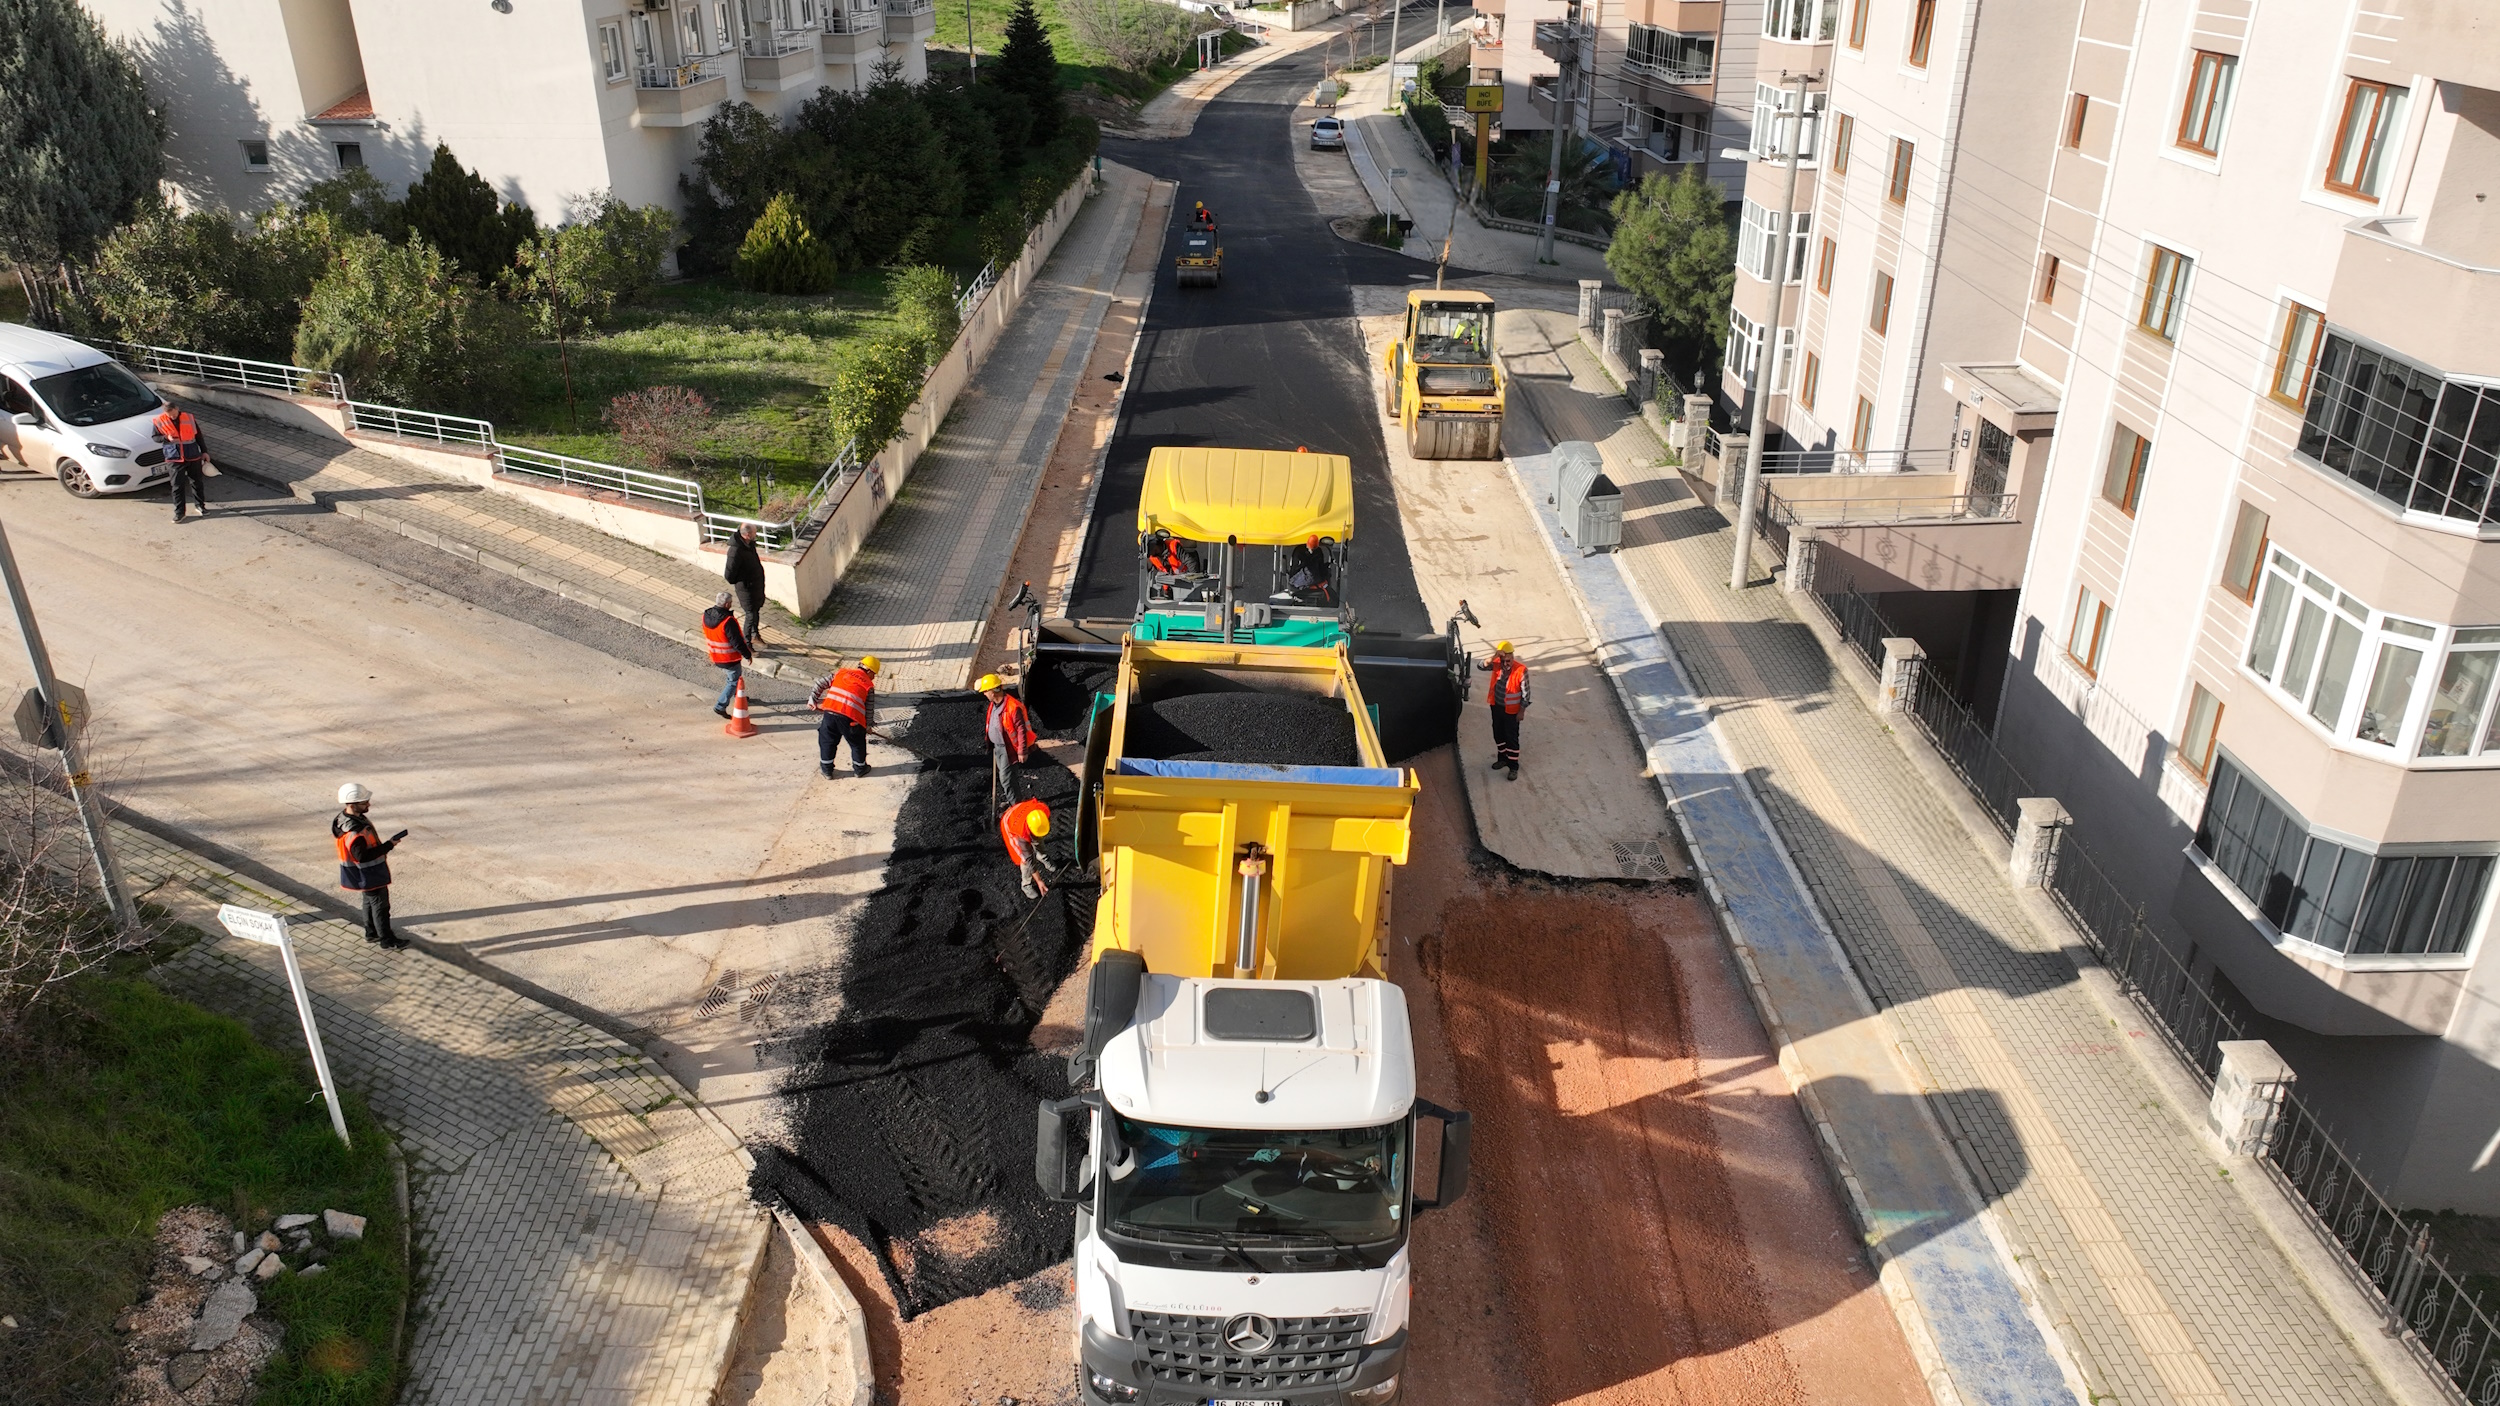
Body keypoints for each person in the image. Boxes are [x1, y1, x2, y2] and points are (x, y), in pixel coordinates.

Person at [332, 782, 409, 949]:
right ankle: (387, 940)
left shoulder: (343, 819)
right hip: (369, 873)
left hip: (360, 874)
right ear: (352, 805)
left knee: (368, 902)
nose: (368, 804)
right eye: (364, 802)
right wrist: (389, 845)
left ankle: (371, 933)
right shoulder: (355, 831)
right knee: (381, 907)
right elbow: (363, 857)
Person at [812, 654, 880, 779]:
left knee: (827, 741)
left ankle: (827, 770)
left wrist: (813, 699)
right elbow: (869, 709)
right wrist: (868, 725)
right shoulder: (868, 685)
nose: (874, 677)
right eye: (874, 674)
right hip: (850, 720)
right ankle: (860, 769)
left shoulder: (841, 673)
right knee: (857, 743)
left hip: (830, 715)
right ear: (869, 671)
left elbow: (820, 683)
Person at [976, 672, 1038, 802]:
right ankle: (1015, 800)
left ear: (993, 691)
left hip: (1008, 749)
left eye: (985, 691)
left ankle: (1016, 805)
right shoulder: (994, 704)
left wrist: (1022, 751)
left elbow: (1021, 729)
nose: (984, 694)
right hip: (998, 748)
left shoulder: (1013, 708)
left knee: (1006, 779)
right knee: (1008, 777)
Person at [154, 399, 210, 523]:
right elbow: (155, 437)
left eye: (174, 414)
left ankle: (200, 506)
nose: (173, 417)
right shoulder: (159, 421)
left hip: (192, 455)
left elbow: (198, 436)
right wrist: (165, 438)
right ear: (165, 413)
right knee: (177, 486)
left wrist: (204, 452)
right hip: (174, 458)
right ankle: (179, 512)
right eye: (170, 416)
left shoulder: (188, 418)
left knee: (197, 482)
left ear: (177, 408)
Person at [1484, 640, 1530, 780]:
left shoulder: (1521, 670)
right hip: (1496, 707)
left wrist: (1521, 711)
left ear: (1513, 658)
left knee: (1511, 738)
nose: (1505, 664)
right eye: (1503, 660)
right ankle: (1502, 759)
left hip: (1512, 712)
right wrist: (1494, 656)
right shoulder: (1497, 664)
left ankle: (1513, 766)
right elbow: (1481, 665)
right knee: (1498, 734)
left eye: (1508, 661)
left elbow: (1526, 694)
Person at [701, 591, 752, 718]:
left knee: (732, 679)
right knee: (733, 681)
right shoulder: (728, 621)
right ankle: (720, 705)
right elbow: (737, 642)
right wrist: (747, 655)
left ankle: (739, 696)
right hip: (729, 658)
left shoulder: (706, 615)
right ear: (727, 604)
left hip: (715, 655)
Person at [1000, 796, 1058, 898]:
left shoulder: (1043, 809)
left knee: (1038, 840)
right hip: (1010, 824)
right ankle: (1026, 884)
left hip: (1022, 811)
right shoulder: (1021, 834)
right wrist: (1039, 881)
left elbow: (1039, 829)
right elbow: (1029, 859)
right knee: (1024, 861)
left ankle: (1042, 857)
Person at [723, 523, 767, 651]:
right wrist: (744, 581)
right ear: (747, 535)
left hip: (756, 586)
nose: (756, 534)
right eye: (754, 533)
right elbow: (729, 575)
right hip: (746, 589)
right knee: (750, 615)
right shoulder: (735, 551)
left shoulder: (749, 545)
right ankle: (747, 643)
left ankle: (755, 635)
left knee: (755, 611)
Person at [1286, 535, 1333, 604]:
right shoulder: (1300, 551)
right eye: (1311, 549)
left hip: (1311, 578)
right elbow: (1294, 568)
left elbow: (1320, 567)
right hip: (1308, 578)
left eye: (1313, 549)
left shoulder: (1317, 552)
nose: (1311, 551)